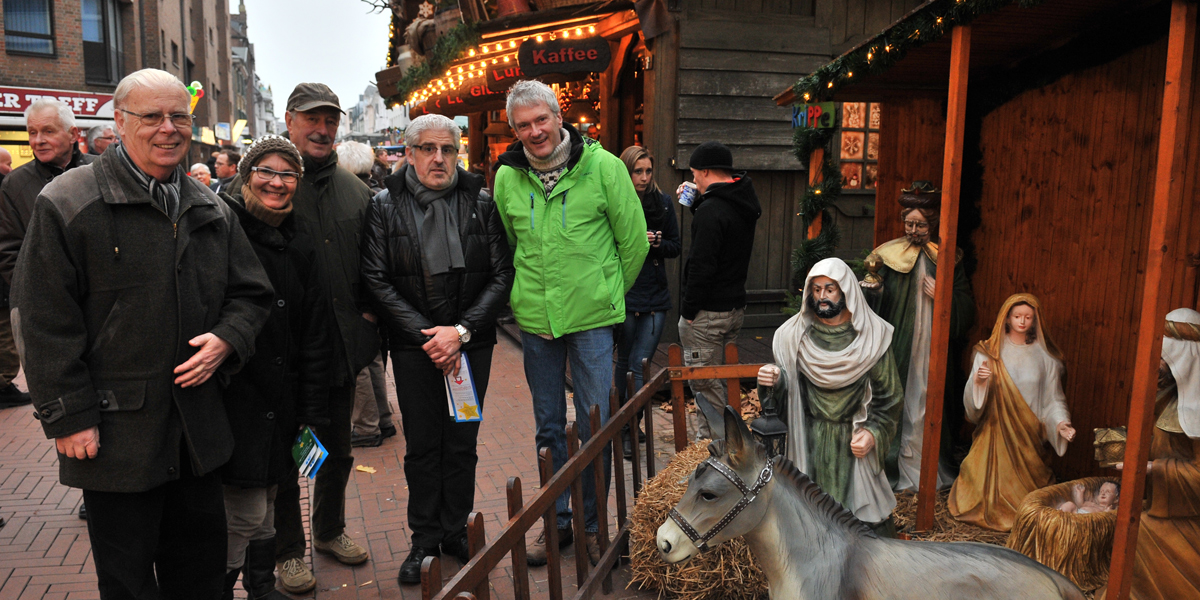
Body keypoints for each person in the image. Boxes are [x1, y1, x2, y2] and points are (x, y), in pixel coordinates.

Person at [11, 68, 273, 599]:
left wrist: (228, 338)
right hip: (114, 436)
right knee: (128, 584)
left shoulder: (211, 206)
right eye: (152, 116)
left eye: (179, 116)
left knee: (201, 577)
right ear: (121, 121)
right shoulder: (68, 202)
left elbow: (252, 294)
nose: (168, 128)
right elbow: (41, 320)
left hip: (197, 429)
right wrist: (69, 417)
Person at [493, 80, 648, 566]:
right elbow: (509, 247)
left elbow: (635, 243)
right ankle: (559, 521)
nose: (535, 131)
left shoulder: (603, 167)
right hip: (536, 324)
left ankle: (594, 522)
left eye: (541, 119)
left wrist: (605, 297)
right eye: (523, 125)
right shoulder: (507, 177)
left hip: (593, 324)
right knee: (548, 429)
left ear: (559, 117)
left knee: (596, 423)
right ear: (515, 131)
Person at [361, 113, 514, 585]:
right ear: (408, 153)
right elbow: (377, 279)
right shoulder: (384, 206)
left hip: (472, 347)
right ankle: (424, 537)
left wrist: (461, 331)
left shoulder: (480, 204)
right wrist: (430, 334)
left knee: (462, 442)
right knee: (424, 445)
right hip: (415, 349)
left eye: (447, 149)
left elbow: (502, 274)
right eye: (427, 148)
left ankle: (454, 529)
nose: (439, 158)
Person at [270, 82, 377, 593]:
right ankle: (289, 549)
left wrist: (367, 325)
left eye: (331, 120)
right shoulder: (265, 185)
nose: (323, 129)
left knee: (335, 450)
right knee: (289, 457)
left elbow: (375, 271)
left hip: (337, 355)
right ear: (289, 120)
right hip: (282, 360)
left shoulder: (357, 192)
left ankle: (330, 529)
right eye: (312, 119)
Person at [217, 134, 334, 600]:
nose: (277, 183)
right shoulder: (222, 228)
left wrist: (312, 410)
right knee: (242, 511)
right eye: (266, 171)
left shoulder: (300, 239)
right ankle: (222, 586)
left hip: (282, 399)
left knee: (268, 503)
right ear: (247, 175)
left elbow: (314, 331)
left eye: (288, 174)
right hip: (236, 395)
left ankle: (261, 586)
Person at [757, 257, 903, 534]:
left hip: (852, 441)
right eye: (816, 289)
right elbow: (787, 389)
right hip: (807, 439)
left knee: (865, 523)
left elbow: (890, 397)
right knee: (809, 518)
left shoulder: (872, 337)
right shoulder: (793, 336)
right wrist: (772, 381)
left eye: (830, 289)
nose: (822, 297)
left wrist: (873, 433)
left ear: (845, 290)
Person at [861, 181, 975, 492]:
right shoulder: (887, 255)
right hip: (899, 348)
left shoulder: (950, 258)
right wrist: (875, 292)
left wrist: (944, 297)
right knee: (898, 398)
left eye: (921, 224)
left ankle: (928, 465)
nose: (914, 230)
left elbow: (967, 311)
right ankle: (892, 464)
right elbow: (870, 309)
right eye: (909, 223)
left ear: (933, 223)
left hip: (933, 349)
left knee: (930, 399)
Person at [948, 293, 1075, 532]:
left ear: (1036, 320)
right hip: (994, 435)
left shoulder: (1046, 358)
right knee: (979, 489)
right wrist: (979, 383)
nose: (1023, 321)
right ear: (1006, 318)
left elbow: (1053, 400)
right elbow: (973, 407)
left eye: (1028, 317)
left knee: (1031, 499)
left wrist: (1061, 423)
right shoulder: (989, 353)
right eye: (1017, 316)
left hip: (1028, 439)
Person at [0, 98, 96, 411]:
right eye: (32, 132)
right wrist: (38, 298)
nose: (38, 140)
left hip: (105, 305)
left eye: (47, 131)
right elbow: (8, 250)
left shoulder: (101, 171)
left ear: (73, 133)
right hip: (51, 312)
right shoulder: (15, 184)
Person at [1101, 308, 1200, 600]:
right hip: (1159, 505)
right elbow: (1146, 437)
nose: (1154, 365)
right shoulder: (1166, 394)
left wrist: (1154, 468)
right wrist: (1110, 445)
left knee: (1139, 533)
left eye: (1162, 358)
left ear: (1183, 359)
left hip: (1186, 517)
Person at [676, 141, 761, 439]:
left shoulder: (712, 210)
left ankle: (714, 454)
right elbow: (723, 230)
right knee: (721, 382)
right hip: (733, 308)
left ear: (707, 171)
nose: (693, 179)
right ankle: (721, 449)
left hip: (707, 315)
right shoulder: (741, 198)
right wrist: (698, 201)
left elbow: (703, 264)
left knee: (705, 386)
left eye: (696, 173)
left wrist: (688, 312)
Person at [614, 145, 680, 459]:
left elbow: (675, 246)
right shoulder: (615, 201)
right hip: (626, 291)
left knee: (641, 365)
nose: (643, 177)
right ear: (626, 172)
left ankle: (629, 425)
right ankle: (623, 426)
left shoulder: (663, 203)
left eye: (647, 171)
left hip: (655, 293)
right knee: (624, 363)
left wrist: (656, 243)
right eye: (637, 171)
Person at [335, 140, 393, 448]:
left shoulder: (352, 199)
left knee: (356, 362)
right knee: (370, 358)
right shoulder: (374, 195)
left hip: (357, 293)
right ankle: (382, 418)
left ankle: (368, 426)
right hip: (374, 293)